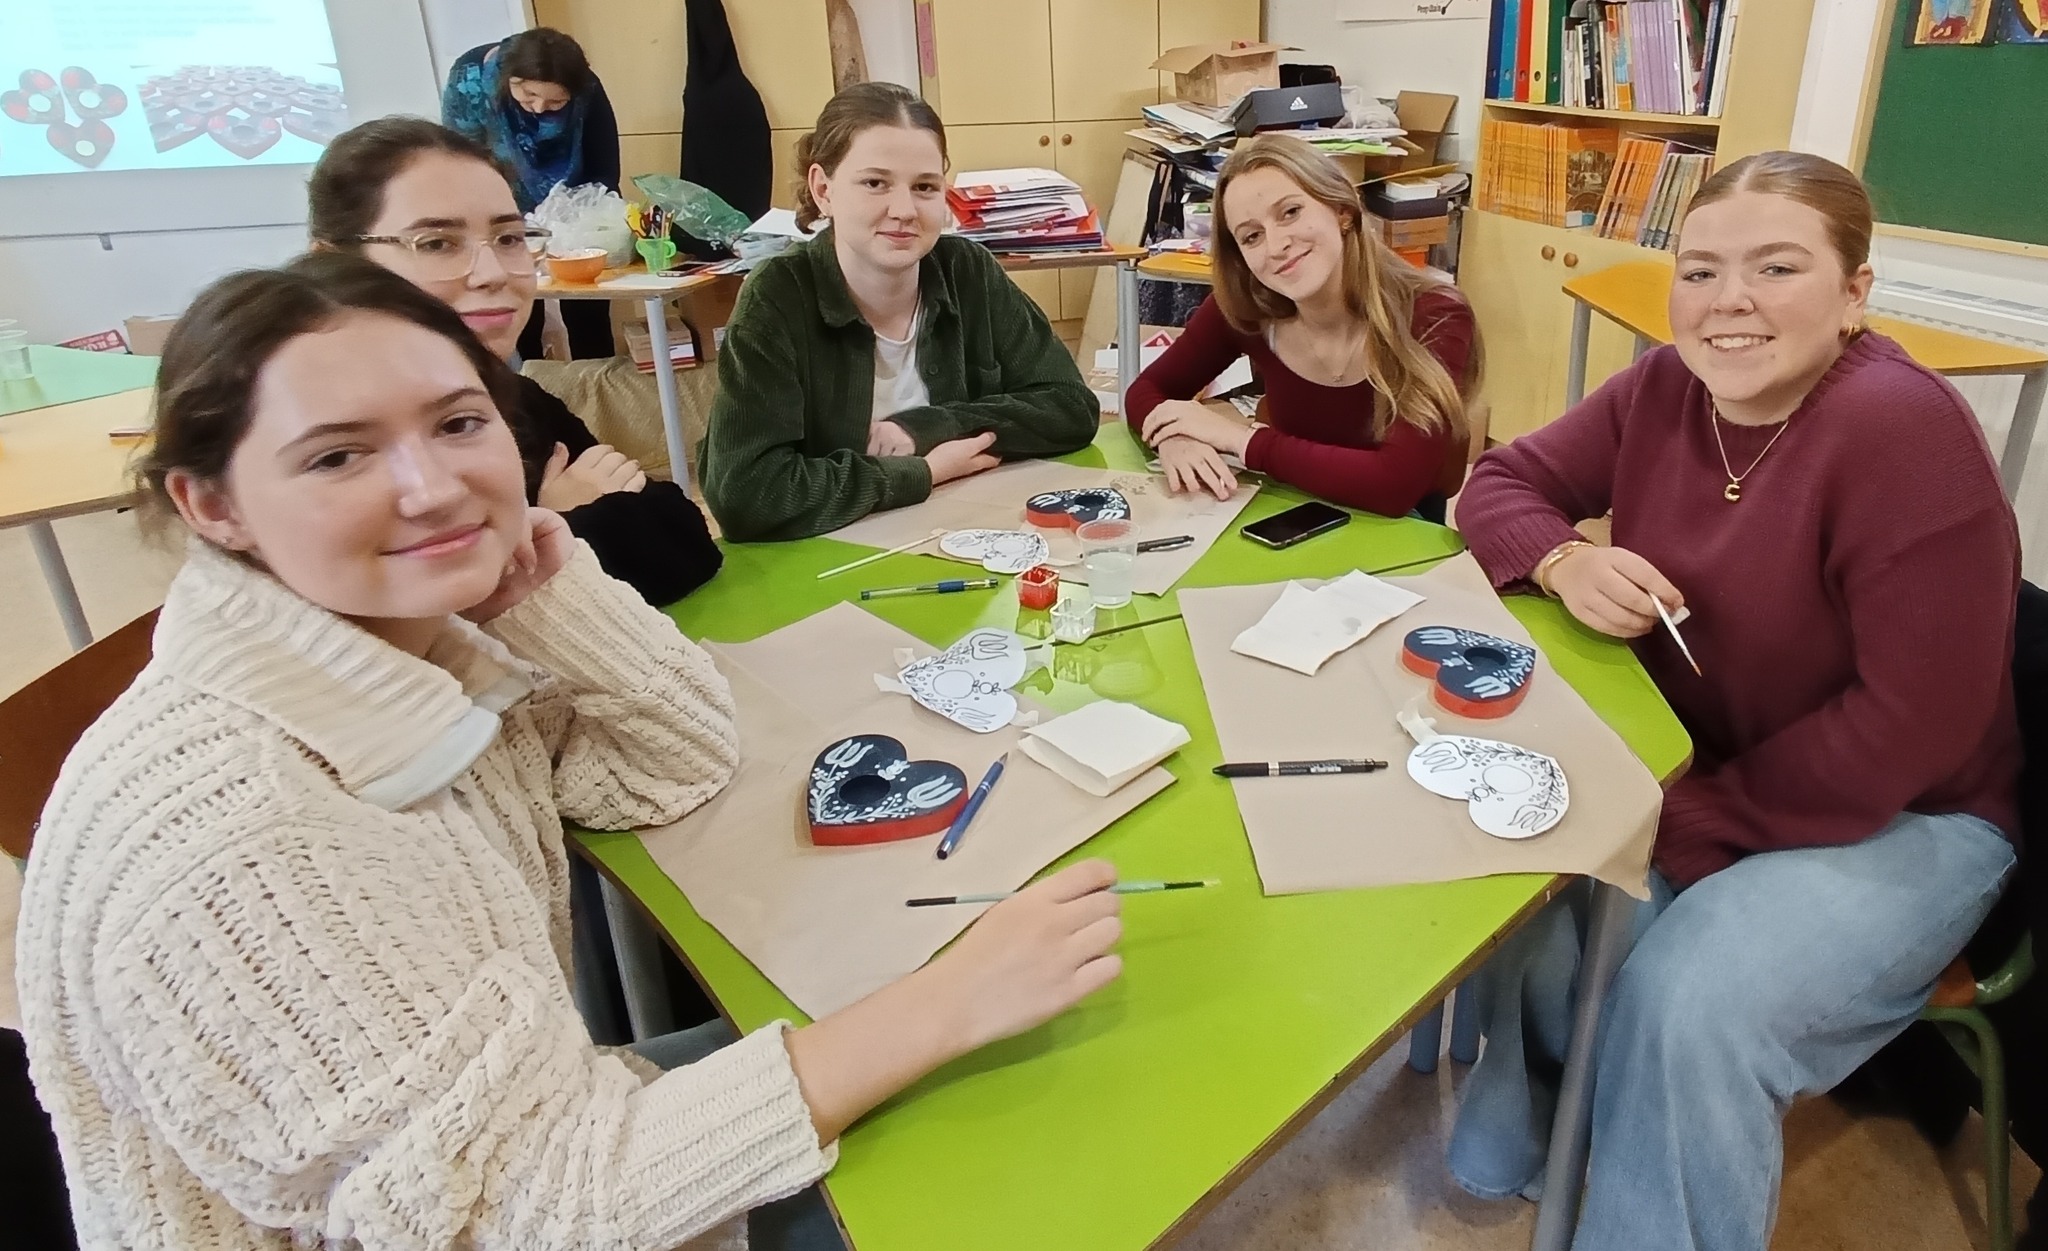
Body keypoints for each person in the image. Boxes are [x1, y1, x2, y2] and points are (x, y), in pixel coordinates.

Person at [15, 252, 1126, 1251]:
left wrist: (541, 591)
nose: (432, 487)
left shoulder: (411, 648)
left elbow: (678, 763)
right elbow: (537, 1211)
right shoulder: (244, 834)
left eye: (459, 424)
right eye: (338, 455)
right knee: (1019, 1157)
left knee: (1011, 1077)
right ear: (212, 505)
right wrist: (944, 1001)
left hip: (531, 1119)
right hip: (534, 1193)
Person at [1446, 151, 2020, 1250]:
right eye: (1700, 271)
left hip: (1910, 814)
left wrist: (1684, 825)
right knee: (1528, 920)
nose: (1728, 302)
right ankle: (1534, 1152)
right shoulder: (1665, 387)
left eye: (1777, 268)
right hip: (1710, 770)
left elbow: (1911, 728)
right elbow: (1501, 484)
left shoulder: (1903, 431)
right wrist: (1566, 559)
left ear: (1853, 293)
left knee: (1687, 1005)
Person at [309, 117, 721, 607]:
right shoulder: (320, 441)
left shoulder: (518, 399)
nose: (493, 274)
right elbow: (438, 616)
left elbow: (684, 537)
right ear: (335, 263)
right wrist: (560, 523)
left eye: (509, 238)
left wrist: (544, 534)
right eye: (437, 243)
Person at [698, 82, 1099, 542]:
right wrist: (923, 472)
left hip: (970, 534)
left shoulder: (966, 269)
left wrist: (925, 428)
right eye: (875, 183)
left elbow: (1072, 407)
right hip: (832, 555)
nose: (905, 210)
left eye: (925, 187)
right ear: (823, 189)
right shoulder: (776, 295)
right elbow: (745, 494)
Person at [1124, 134, 1477, 519]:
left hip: (1405, 531)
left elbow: (1394, 485)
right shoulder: (1247, 308)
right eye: (1252, 236)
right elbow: (1146, 391)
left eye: (1290, 212)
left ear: (1341, 210)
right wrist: (1174, 435)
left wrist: (1242, 440)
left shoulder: (1435, 314)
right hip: (1293, 512)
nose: (1276, 246)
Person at [441, 27, 619, 360]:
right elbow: (461, 163)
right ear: (509, 80)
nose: (539, 108)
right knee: (519, 317)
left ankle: (593, 387)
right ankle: (527, 387)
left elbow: (604, 168)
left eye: (556, 102)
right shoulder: (470, 80)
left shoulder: (586, 87)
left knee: (588, 319)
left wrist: (585, 223)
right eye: (529, 95)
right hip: (502, 218)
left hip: (573, 217)